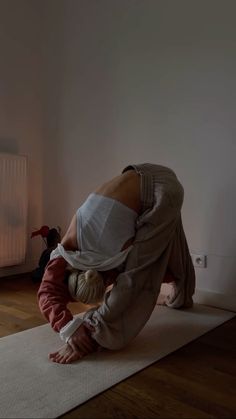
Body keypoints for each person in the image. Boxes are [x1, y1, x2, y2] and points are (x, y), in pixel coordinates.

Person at [38, 163, 195, 364]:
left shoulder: (106, 251)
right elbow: (47, 293)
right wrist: (67, 325)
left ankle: (94, 335)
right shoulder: (68, 248)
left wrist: (80, 332)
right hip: (149, 172)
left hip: (160, 193)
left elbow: (130, 285)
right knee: (171, 242)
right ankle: (182, 295)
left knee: (138, 278)